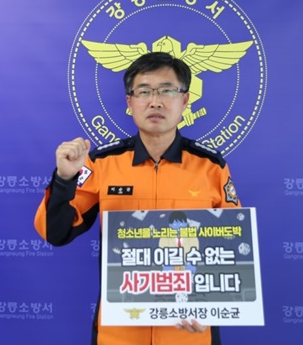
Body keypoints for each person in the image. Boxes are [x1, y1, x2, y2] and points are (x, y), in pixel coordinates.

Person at [34, 52, 240, 345]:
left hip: (190, 333)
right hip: (118, 334)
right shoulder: (102, 164)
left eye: (167, 90)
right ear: (129, 102)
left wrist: (214, 306)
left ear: (185, 100)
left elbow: (232, 247)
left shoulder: (211, 167)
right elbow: (55, 233)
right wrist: (64, 179)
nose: (155, 101)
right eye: (144, 91)